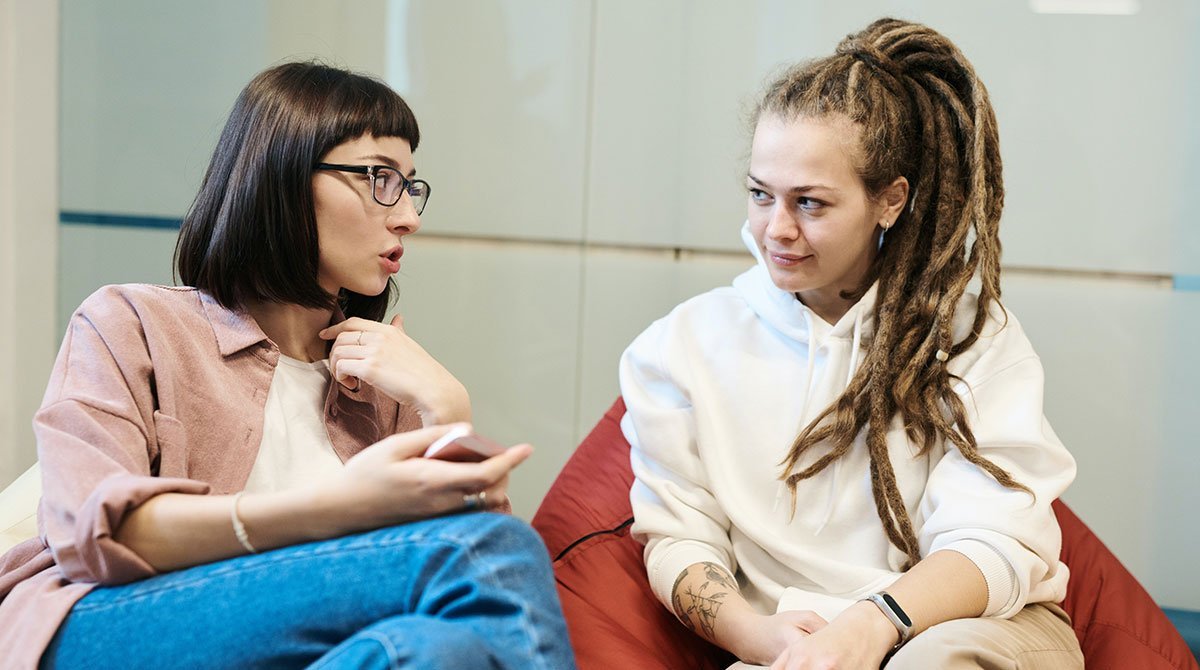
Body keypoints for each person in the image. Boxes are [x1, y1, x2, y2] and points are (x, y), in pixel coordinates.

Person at [0, 62, 575, 669]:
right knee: (492, 550)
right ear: (283, 178)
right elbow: (90, 536)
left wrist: (447, 410)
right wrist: (341, 506)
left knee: (434, 650)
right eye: (380, 178)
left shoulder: (386, 383)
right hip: (104, 630)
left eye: (411, 186)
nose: (409, 216)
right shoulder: (133, 323)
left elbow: (485, 608)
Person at [620, 18, 1084, 670]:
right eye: (760, 195)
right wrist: (758, 639)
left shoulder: (968, 337)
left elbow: (995, 540)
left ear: (889, 201)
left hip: (964, 629)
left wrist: (875, 623)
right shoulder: (681, 345)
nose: (777, 229)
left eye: (810, 203)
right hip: (797, 645)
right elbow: (677, 537)